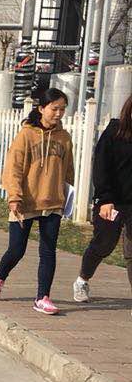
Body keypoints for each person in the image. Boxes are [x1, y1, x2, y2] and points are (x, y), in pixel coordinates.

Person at [0, 87, 75, 315]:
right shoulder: (26, 135)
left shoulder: (64, 138)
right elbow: (13, 169)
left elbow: (69, 171)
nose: (58, 113)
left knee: (48, 251)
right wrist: (14, 197)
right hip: (25, 202)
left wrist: (67, 197)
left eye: (62, 109)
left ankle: (42, 297)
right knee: (17, 249)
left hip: (53, 203)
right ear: (42, 108)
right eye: (54, 108)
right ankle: (0, 275)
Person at [74, 93, 132, 303]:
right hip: (112, 201)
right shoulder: (114, 132)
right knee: (104, 244)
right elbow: (101, 166)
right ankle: (82, 279)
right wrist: (105, 198)